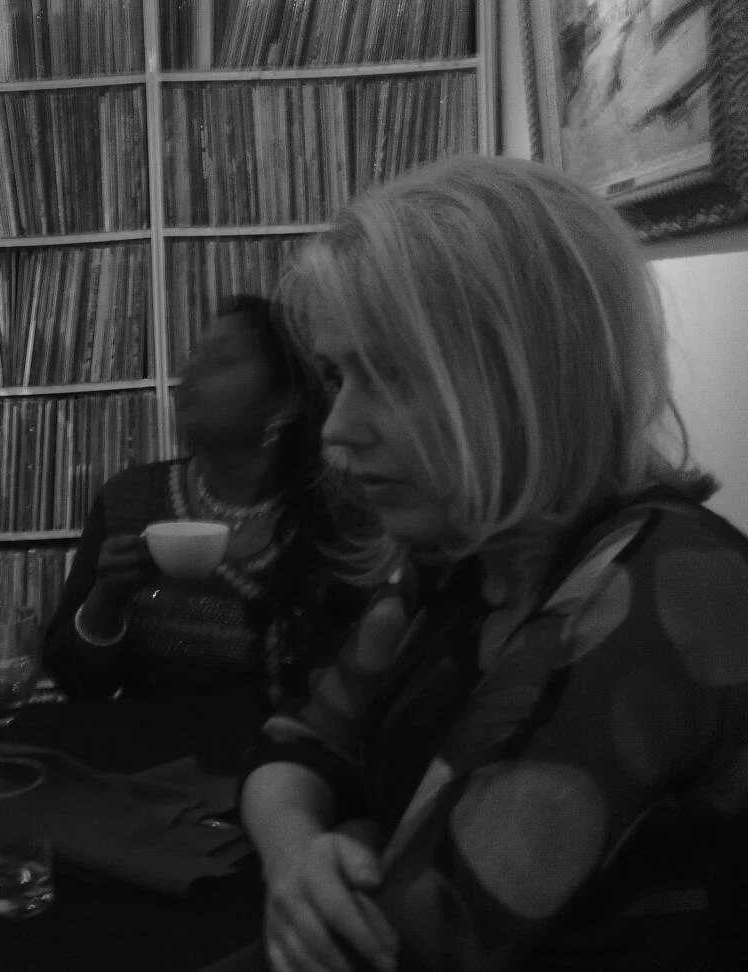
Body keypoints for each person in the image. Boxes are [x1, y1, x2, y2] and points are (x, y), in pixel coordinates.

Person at [240, 155, 748, 971]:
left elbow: (423, 934)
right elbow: (300, 746)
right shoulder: (458, 557)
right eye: (338, 377)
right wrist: (296, 853)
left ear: (534, 374)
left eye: (393, 374)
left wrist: (360, 835)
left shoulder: (672, 582)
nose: (336, 430)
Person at [42, 294, 368, 704]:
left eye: (222, 360)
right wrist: (104, 601)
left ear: (285, 400)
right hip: (147, 746)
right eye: (194, 354)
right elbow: (77, 683)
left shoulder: (341, 516)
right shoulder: (130, 499)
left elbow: (361, 689)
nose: (190, 373)